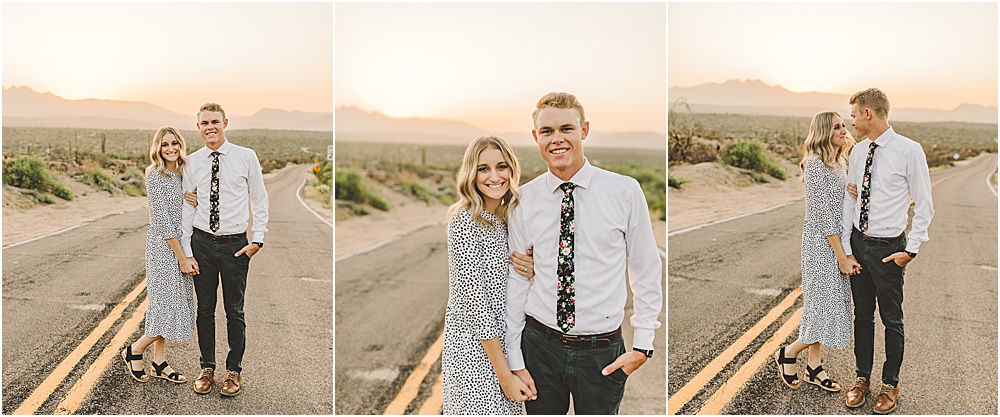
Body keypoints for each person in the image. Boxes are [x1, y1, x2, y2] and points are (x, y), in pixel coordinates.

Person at [504, 92, 663, 414]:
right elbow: (518, 281)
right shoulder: (524, 200)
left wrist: (642, 346)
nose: (557, 139)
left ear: (584, 130)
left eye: (567, 128)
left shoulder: (624, 191)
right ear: (536, 137)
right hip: (539, 347)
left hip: (600, 352)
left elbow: (646, 267)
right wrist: (515, 359)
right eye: (547, 132)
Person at [841, 88, 933, 414]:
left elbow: (924, 205)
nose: (851, 121)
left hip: (889, 250)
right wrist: (847, 248)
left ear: (868, 113)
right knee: (862, 316)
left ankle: (890, 383)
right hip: (859, 245)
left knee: (891, 319)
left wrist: (911, 250)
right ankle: (861, 378)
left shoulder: (909, 150)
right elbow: (850, 199)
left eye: (853, 115)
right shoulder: (856, 152)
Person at [442, 135, 537, 414]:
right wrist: (504, 374)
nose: (494, 176)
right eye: (483, 168)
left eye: (501, 167)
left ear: (512, 170)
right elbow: (475, 305)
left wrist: (534, 270)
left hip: (510, 343)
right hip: (475, 352)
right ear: (472, 174)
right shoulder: (464, 222)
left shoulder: (512, 219)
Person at [181, 103, 269, 397]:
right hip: (202, 243)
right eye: (204, 122)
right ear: (198, 127)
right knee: (205, 310)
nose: (210, 127)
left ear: (225, 123)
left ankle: (234, 371)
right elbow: (188, 206)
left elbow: (259, 198)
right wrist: (187, 250)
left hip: (235, 246)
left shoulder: (245, 157)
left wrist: (257, 240)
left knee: (234, 310)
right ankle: (207, 367)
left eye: (215, 121)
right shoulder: (192, 162)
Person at [774, 111, 859, 393]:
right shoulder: (815, 165)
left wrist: (852, 193)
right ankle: (789, 352)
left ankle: (814, 366)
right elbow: (822, 216)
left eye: (844, 125)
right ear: (824, 131)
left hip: (837, 244)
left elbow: (840, 206)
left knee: (822, 306)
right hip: (821, 246)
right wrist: (841, 256)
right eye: (837, 127)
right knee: (823, 306)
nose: (843, 130)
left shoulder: (840, 163)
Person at [121, 126, 198, 384]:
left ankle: (159, 362)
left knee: (165, 305)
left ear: (181, 145)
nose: (170, 148)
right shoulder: (154, 175)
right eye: (165, 144)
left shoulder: (182, 174)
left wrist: (195, 201)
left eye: (174, 143)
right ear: (158, 148)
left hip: (181, 245)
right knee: (168, 305)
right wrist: (182, 257)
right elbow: (163, 221)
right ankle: (135, 350)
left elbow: (187, 209)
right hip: (163, 248)